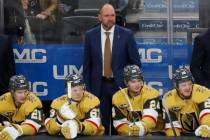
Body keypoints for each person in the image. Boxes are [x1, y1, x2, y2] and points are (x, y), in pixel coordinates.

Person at [83, 3, 141, 135]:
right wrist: (88, 90)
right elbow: (87, 65)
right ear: (99, 17)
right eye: (107, 15)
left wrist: (131, 85)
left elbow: (135, 63)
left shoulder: (127, 35)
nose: (110, 18)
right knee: (100, 125)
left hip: (120, 87)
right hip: (99, 87)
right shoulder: (90, 35)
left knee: (120, 125)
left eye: (113, 15)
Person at [45, 74, 104, 139]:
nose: (78, 92)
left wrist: (77, 126)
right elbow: (50, 129)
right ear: (67, 90)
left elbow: (93, 128)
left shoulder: (92, 100)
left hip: (91, 137)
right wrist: (59, 120)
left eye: (81, 88)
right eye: (74, 90)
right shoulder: (57, 103)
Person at [112, 65, 163, 136]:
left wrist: (139, 130)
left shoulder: (152, 93)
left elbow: (150, 119)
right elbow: (119, 123)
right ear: (126, 82)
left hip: (153, 132)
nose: (137, 84)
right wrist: (129, 132)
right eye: (133, 81)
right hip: (130, 133)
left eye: (139, 81)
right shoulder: (118, 97)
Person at [163, 67, 210, 138]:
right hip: (183, 135)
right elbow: (172, 125)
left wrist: (206, 126)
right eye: (183, 85)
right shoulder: (169, 99)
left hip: (203, 133)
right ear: (177, 87)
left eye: (189, 84)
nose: (188, 87)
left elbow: (206, 113)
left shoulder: (201, 92)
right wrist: (174, 136)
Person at [0, 75, 43, 140]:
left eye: (26, 91)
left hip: (28, 135)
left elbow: (32, 127)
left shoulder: (34, 101)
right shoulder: (2, 101)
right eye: (19, 92)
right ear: (12, 92)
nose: (23, 95)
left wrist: (15, 130)